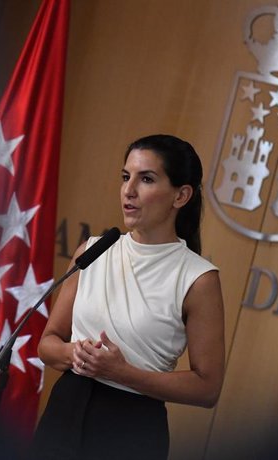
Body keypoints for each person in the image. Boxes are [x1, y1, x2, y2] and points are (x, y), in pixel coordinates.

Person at [31, 134, 225, 459]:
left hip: (132, 425)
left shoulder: (198, 278)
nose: (128, 190)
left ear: (181, 195)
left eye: (146, 179)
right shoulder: (92, 251)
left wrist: (122, 373)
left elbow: (208, 388)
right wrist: (74, 353)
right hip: (65, 409)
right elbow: (48, 343)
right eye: (125, 177)